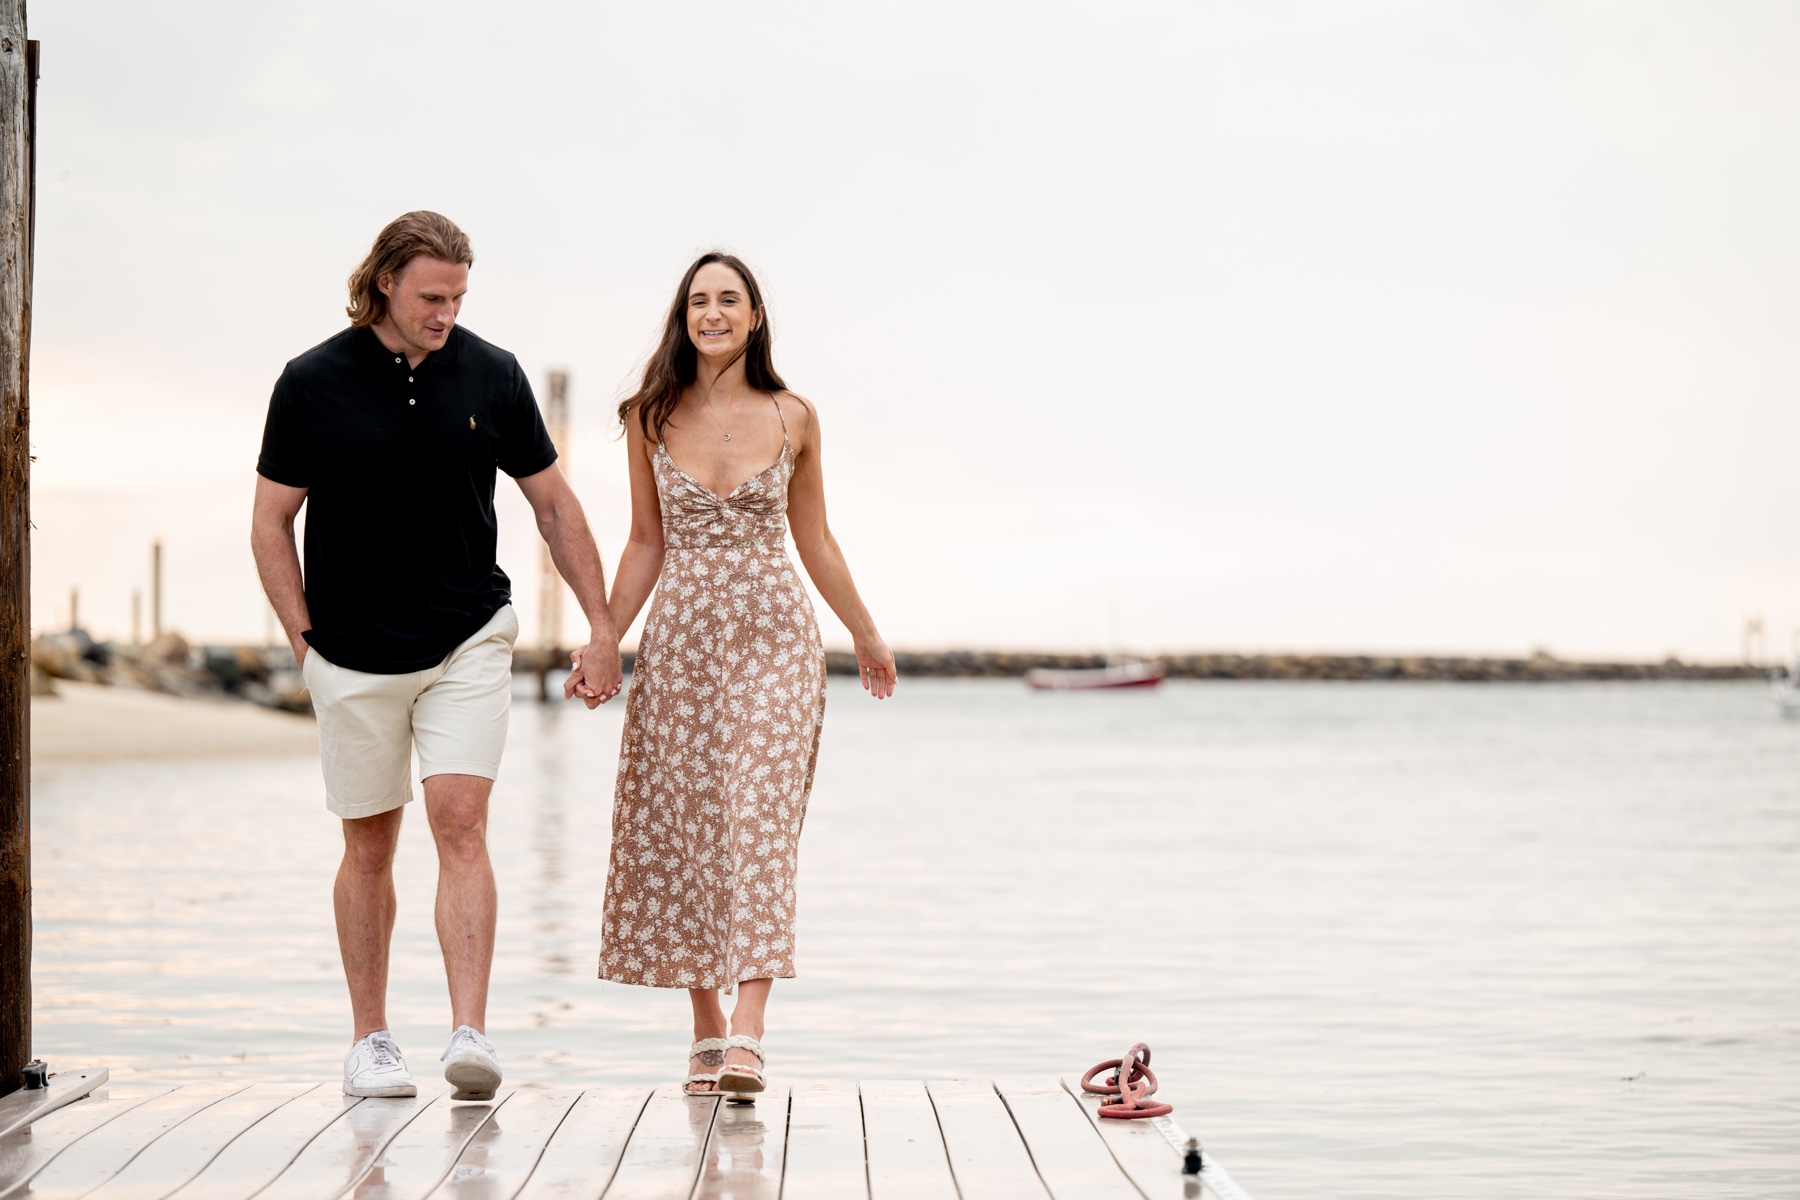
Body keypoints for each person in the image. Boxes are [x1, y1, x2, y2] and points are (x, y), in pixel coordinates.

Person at [250, 211, 624, 1101]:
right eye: (431, 296)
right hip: (349, 652)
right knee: (370, 845)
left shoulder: (492, 375)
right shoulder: (310, 382)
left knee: (461, 823)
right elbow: (271, 521)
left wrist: (602, 625)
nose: (446, 312)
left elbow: (555, 507)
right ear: (385, 281)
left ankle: (470, 1033)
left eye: (458, 297)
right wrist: (303, 642)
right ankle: (371, 1040)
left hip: (467, 636)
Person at [587, 251, 896, 1097]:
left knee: (758, 818)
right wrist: (604, 637)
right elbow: (645, 542)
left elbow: (815, 537)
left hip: (775, 638)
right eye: (698, 300)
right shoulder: (650, 415)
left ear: (755, 316)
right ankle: (705, 1031)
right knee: (685, 823)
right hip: (682, 638)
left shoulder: (794, 416)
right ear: (682, 316)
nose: (713, 312)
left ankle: (750, 1033)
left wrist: (865, 633)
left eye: (729, 300)